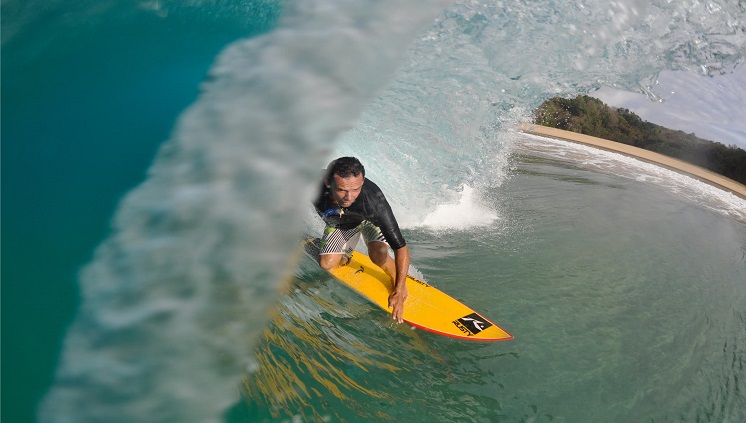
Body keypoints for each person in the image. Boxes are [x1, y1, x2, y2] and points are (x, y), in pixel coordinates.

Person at [313, 156, 410, 323]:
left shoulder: (375, 203)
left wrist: (399, 288)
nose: (349, 197)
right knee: (327, 264)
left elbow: (401, 247)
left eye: (356, 189)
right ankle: (345, 256)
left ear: (362, 182)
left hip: (371, 221)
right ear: (328, 182)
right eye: (342, 190)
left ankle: (397, 280)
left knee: (378, 256)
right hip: (342, 224)